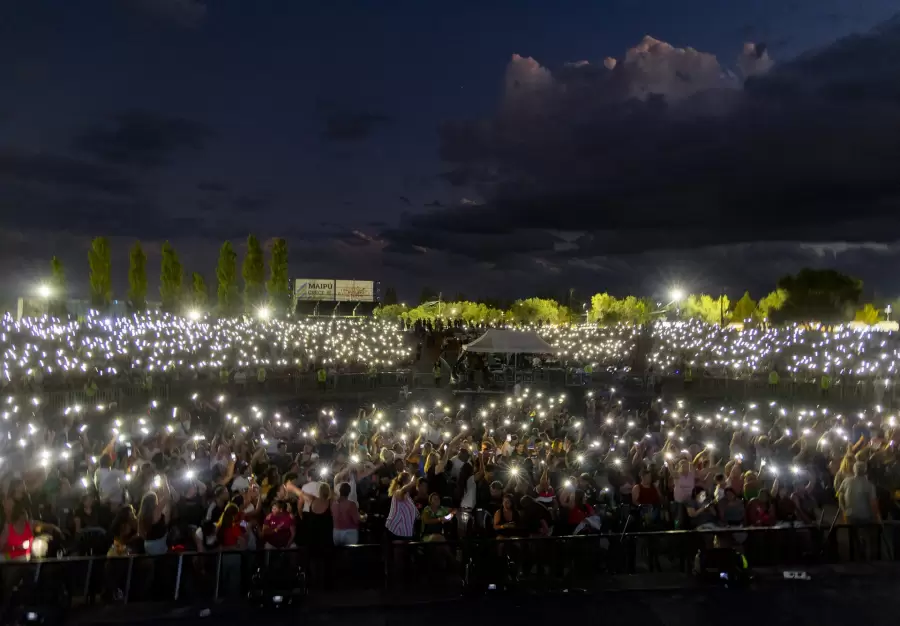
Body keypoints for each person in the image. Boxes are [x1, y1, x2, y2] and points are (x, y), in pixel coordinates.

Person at [385, 472, 418, 541]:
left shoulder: (408, 496)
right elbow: (402, 490)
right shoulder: (397, 492)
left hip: (406, 532)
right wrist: (412, 483)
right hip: (397, 531)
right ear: (404, 482)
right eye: (409, 481)